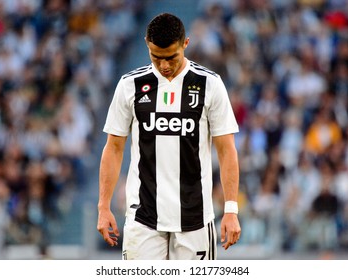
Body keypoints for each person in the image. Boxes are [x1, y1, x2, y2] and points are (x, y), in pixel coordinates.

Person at [97, 13, 241, 260]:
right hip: (143, 216)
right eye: (156, 57)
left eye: (171, 57)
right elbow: (114, 148)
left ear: (186, 44)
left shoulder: (210, 85)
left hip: (195, 216)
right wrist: (103, 205)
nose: (164, 65)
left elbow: (226, 150)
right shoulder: (129, 85)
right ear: (146, 44)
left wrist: (230, 209)